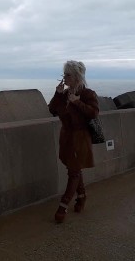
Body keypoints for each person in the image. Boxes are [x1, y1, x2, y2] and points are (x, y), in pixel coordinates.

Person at [48, 60, 99, 223]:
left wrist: (78, 102)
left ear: (77, 76)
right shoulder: (63, 94)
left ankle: (63, 206)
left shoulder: (87, 94)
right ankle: (82, 196)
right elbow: (52, 110)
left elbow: (94, 113)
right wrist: (57, 93)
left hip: (80, 138)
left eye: (68, 75)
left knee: (74, 171)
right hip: (67, 137)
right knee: (73, 168)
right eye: (64, 74)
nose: (65, 77)